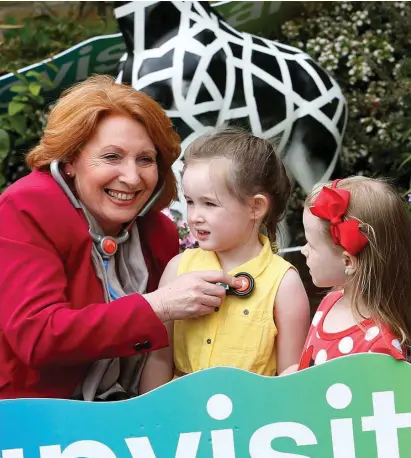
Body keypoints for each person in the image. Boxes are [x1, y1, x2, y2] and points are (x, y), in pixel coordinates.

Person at [0, 75, 241, 400]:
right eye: (112, 157)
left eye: (145, 159)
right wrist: (156, 306)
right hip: (37, 422)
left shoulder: (159, 230)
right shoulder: (26, 207)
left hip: (134, 416)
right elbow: (38, 335)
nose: (131, 177)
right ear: (70, 160)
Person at [139, 127, 310, 392]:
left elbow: (291, 376)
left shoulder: (283, 284)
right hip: (183, 414)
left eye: (209, 203)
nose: (194, 216)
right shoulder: (177, 269)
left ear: (256, 207)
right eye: (190, 201)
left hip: (252, 419)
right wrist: (147, 419)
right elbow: (160, 357)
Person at [284, 176, 411, 374]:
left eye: (312, 245)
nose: (303, 251)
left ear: (347, 262)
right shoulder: (330, 302)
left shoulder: (380, 349)